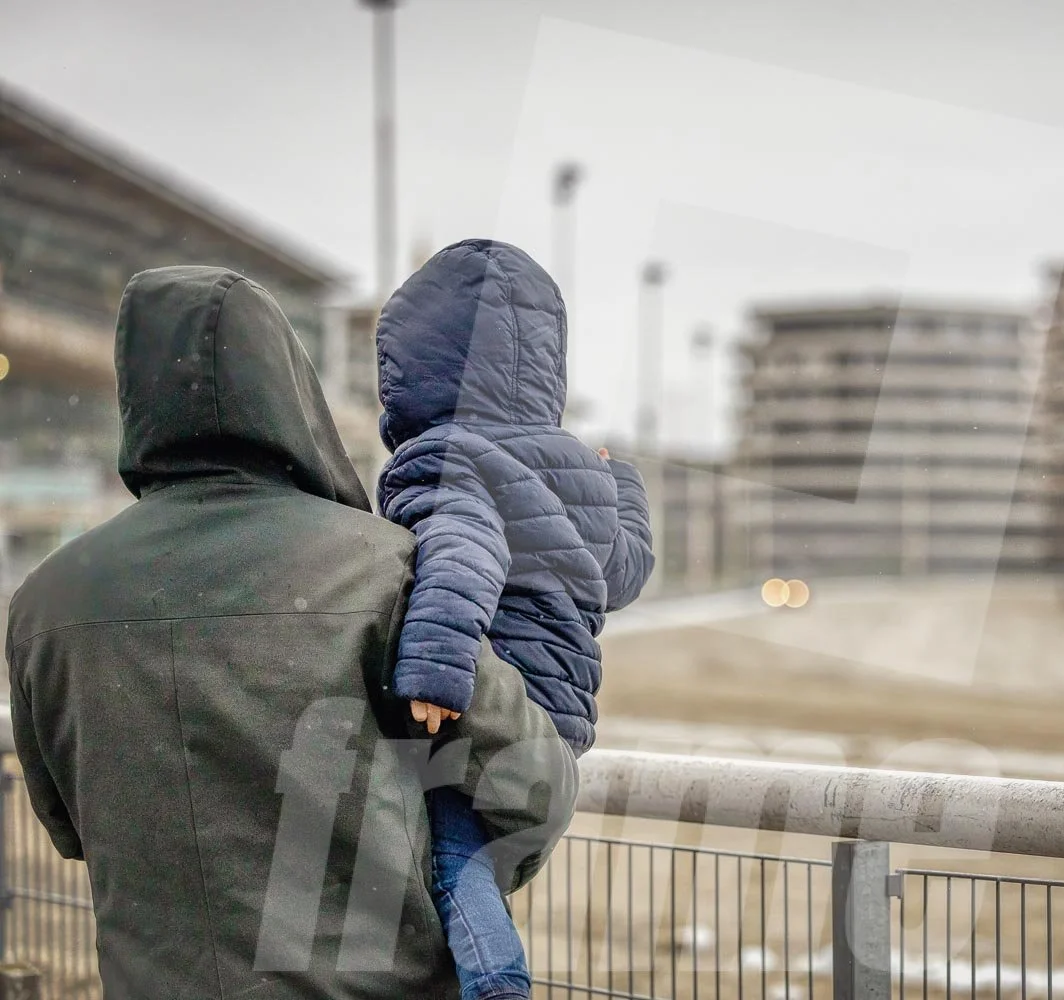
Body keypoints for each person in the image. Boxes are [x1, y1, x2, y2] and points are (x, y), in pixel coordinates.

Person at [5, 266, 576, 998]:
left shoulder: (44, 603)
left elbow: (68, 827)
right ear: (287, 390)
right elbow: (536, 787)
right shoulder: (385, 569)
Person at [374, 239, 654, 1000]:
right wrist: (618, 482)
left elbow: (462, 551)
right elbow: (624, 575)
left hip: (480, 704)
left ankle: (499, 986)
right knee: (482, 857)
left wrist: (435, 671)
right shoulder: (574, 473)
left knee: (451, 858)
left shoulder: (444, 456)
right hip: (560, 720)